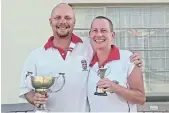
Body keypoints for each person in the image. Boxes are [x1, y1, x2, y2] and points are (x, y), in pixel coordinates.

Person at [19, 3, 143, 112]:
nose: (63, 22)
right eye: (58, 18)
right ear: (50, 21)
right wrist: (34, 98)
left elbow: (107, 47)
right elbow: (26, 90)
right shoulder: (36, 55)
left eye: (67, 18)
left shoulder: (88, 46)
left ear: (74, 22)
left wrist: (131, 57)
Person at [87, 16, 146, 112]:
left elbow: (141, 99)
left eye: (103, 30)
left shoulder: (128, 58)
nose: (99, 34)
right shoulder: (86, 60)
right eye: (95, 30)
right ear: (90, 34)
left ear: (112, 35)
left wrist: (116, 88)